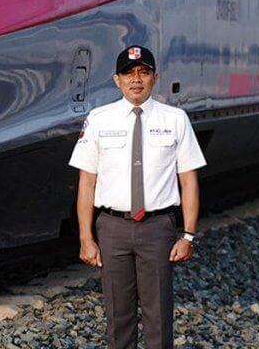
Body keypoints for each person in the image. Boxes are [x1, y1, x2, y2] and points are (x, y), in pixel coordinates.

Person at [69, 45, 206, 349]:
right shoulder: (98, 120)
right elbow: (86, 183)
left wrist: (188, 236)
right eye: (128, 73)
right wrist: (85, 238)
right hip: (112, 228)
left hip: (158, 229)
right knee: (118, 316)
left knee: (158, 315)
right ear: (116, 80)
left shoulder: (175, 119)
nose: (136, 79)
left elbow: (189, 182)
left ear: (155, 78)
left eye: (143, 72)